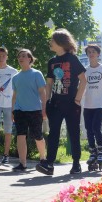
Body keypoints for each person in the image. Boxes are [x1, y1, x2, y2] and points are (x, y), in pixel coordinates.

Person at [36, 29, 87, 175]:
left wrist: (77, 100)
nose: (50, 42)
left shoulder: (72, 59)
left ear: (60, 42)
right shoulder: (51, 62)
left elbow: (83, 80)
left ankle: (76, 164)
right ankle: (49, 164)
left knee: (73, 132)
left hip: (72, 104)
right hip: (56, 104)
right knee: (53, 134)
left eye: (52, 40)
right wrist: (45, 104)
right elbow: (49, 85)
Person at [11, 49, 47, 171]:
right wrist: (12, 111)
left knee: (37, 135)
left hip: (35, 110)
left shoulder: (37, 74)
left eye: (23, 56)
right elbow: (14, 95)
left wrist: (44, 109)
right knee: (20, 136)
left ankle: (43, 159)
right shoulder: (15, 77)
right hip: (19, 110)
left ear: (30, 59)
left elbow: (42, 92)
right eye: (19, 56)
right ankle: (22, 164)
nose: (20, 58)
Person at [82, 44, 102, 170]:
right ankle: (92, 153)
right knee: (89, 129)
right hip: (87, 104)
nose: (91, 54)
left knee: (95, 127)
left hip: (100, 104)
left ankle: (101, 152)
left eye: (93, 51)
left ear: (98, 54)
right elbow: (82, 87)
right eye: (89, 52)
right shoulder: (85, 70)